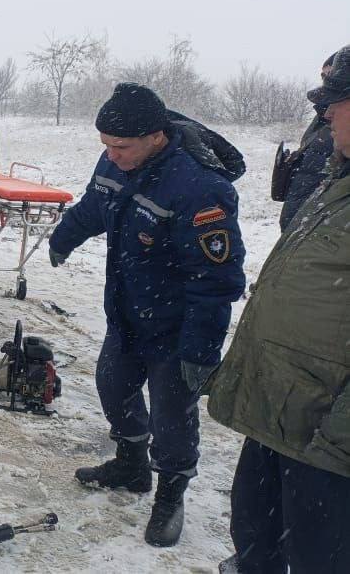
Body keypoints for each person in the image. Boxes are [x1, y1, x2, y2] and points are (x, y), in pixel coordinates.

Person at [48, 83, 246, 547]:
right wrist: (65, 236)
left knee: (173, 417)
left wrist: (200, 351)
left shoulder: (199, 189)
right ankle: (132, 465)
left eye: (120, 146)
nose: (111, 155)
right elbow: (97, 204)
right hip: (128, 312)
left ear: (155, 136)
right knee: (112, 385)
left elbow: (216, 280)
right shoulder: (118, 159)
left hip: (177, 329)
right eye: (105, 146)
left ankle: (170, 492)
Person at [208, 44, 350, 574]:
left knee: (319, 556)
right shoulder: (339, 181)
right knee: (255, 535)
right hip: (284, 415)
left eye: (339, 100)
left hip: (328, 440)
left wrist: (337, 443)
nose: (327, 113)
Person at [272, 52, 337, 230]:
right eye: (323, 76)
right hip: (300, 225)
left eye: (331, 74)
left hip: (323, 231)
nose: (325, 80)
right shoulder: (321, 117)